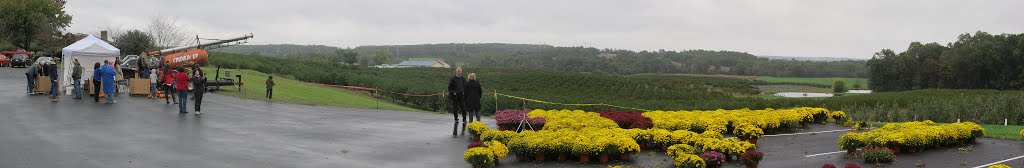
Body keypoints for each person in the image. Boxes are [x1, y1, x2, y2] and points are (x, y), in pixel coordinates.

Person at [446, 67, 466, 137]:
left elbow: (465, 86)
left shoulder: (463, 78)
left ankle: (464, 119)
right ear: (456, 72)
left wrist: (464, 92)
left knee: (463, 108)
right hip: (455, 96)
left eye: (460, 71)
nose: (460, 72)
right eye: (459, 71)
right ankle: (456, 119)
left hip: (461, 96)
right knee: (455, 108)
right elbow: (449, 87)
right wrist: (453, 92)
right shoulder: (453, 78)